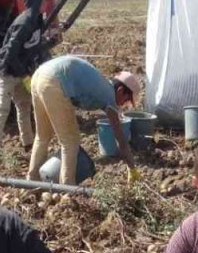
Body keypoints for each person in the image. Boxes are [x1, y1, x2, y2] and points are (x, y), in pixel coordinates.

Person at [26, 56, 140, 184]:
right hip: (54, 81)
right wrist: (132, 168)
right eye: (126, 100)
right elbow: (121, 141)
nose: (123, 105)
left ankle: (31, 181)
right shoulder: (109, 96)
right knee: (70, 141)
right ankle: (66, 187)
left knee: (42, 136)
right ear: (120, 91)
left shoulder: (101, 84)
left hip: (39, 76)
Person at [0, 0, 56, 162]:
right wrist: (24, 75)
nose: (46, 1)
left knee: (24, 107)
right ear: (36, 2)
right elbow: (10, 54)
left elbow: (32, 47)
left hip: (20, 71)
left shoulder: (37, 21)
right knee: (2, 110)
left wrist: (49, 43)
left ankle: (28, 144)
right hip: (5, 71)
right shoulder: (24, 23)